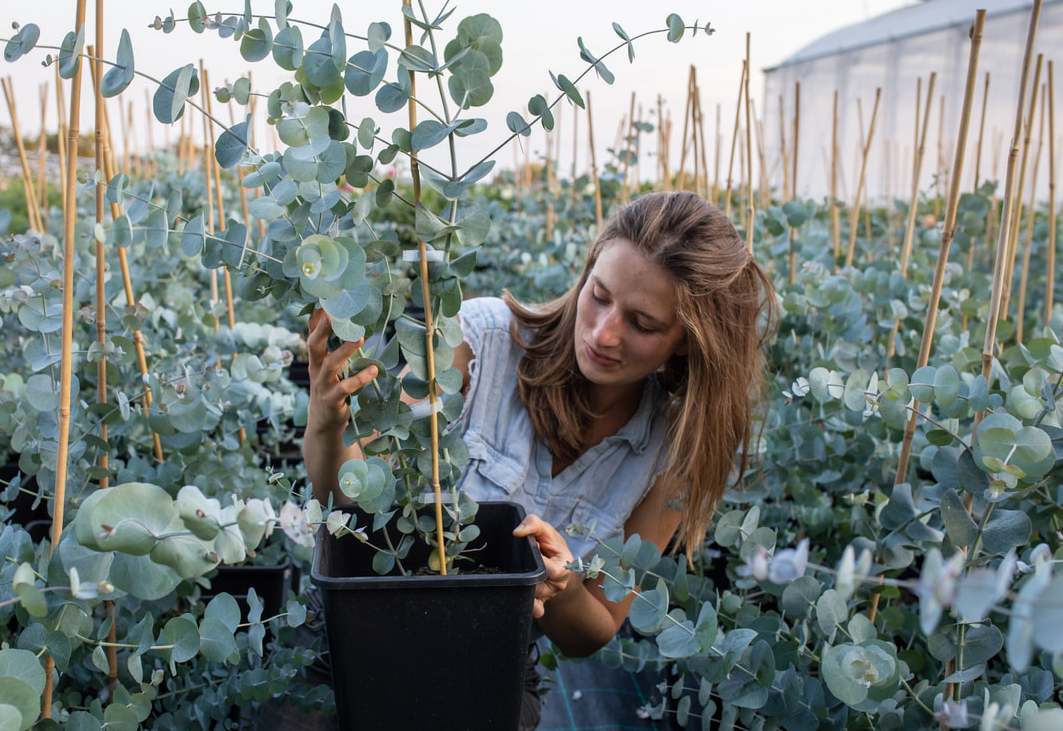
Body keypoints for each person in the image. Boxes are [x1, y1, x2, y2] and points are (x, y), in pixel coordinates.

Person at [287, 190, 776, 728]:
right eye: (600, 295)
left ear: (687, 341)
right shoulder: (478, 343)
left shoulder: (673, 452)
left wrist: (562, 584)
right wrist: (329, 426)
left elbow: (595, 628)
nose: (603, 332)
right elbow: (354, 512)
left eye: (642, 323)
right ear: (587, 272)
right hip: (363, 629)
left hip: (492, 662)